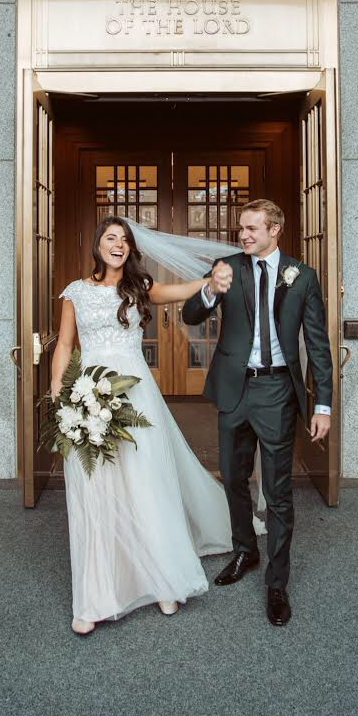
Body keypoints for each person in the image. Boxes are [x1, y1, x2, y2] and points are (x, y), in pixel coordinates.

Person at [51, 216, 264, 635]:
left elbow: (182, 291)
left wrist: (211, 280)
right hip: (89, 395)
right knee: (97, 491)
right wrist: (60, 387)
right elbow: (64, 344)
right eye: (110, 238)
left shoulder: (137, 289)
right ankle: (96, 597)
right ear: (98, 246)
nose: (118, 244)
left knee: (146, 483)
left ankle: (164, 577)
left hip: (136, 394)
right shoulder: (75, 292)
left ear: (131, 249)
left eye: (125, 240)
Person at [181, 199, 333, 627]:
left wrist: (323, 404)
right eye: (241, 229)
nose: (243, 235)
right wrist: (210, 289)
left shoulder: (301, 277)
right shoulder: (227, 266)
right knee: (231, 475)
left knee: (279, 489)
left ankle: (277, 581)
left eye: (251, 228)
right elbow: (190, 313)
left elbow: (318, 345)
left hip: (276, 389)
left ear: (274, 229)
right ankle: (245, 549)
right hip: (234, 388)